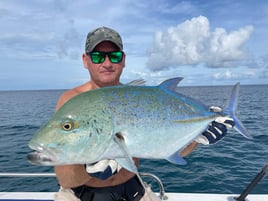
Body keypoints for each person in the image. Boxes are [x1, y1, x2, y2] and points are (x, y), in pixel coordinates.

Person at [54, 26, 234, 201]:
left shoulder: (139, 99)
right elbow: (65, 179)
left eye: (114, 56)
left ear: (123, 60)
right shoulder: (72, 101)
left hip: (133, 189)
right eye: (98, 56)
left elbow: (170, 147)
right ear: (85, 60)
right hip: (81, 194)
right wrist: (87, 170)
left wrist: (198, 137)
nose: (107, 63)